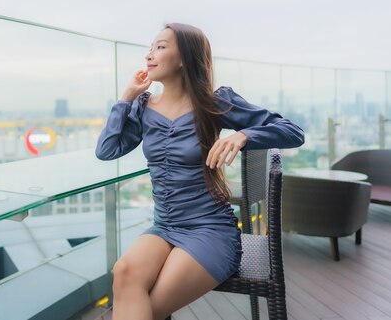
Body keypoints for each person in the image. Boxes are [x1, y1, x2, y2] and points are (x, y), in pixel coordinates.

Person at [95, 23, 305, 320]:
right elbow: (107, 150)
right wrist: (126, 98)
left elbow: (293, 132)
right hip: (164, 227)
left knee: (146, 310)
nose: (149, 55)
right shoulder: (142, 107)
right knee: (125, 271)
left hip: (210, 230)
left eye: (161, 47)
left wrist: (243, 135)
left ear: (184, 58)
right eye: (151, 47)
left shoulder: (215, 101)